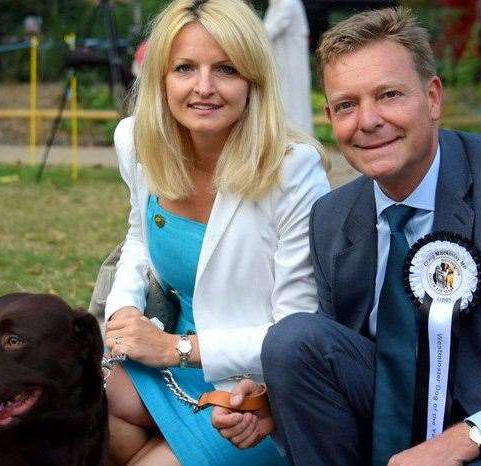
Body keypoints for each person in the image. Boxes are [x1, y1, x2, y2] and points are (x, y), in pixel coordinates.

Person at [213, 7, 481, 466]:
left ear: (433, 98)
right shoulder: (333, 218)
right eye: (346, 105)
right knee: (294, 341)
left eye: (389, 95)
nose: (368, 120)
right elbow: (344, 360)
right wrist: (273, 402)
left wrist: (463, 439)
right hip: (392, 431)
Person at [103, 0, 330, 464]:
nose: (203, 88)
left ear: (253, 80)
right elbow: (137, 238)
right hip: (161, 362)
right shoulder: (136, 141)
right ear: (161, 78)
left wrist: (174, 348)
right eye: (185, 68)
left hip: (252, 389)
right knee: (73, 415)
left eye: (225, 69)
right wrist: (124, 313)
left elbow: (295, 333)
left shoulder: (294, 171)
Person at [263, 0, 314, 135]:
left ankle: (298, 137)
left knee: (293, 104)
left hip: (291, 67)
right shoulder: (275, 6)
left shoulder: (288, 4)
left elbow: (266, 32)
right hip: (279, 67)